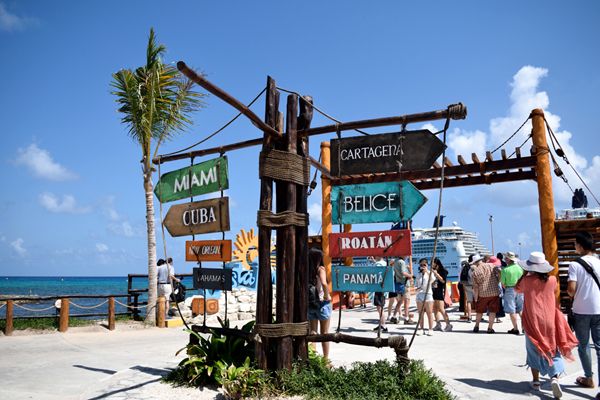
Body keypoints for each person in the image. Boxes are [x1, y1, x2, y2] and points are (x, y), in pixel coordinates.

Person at [516, 252, 578, 398]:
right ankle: (554, 378)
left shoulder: (526, 280)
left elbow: (516, 288)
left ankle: (536, 382)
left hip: (532, 320)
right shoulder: (552, 280)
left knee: (533, 350)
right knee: (552, 348)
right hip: (550, 319)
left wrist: (525, 273)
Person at [567, 231, 600, 394]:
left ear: (580, 245)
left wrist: (571, 292)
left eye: (575, 244)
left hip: (581, 310)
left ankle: (588, 377)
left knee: (584, 345)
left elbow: (571, 290)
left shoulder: (575, 264)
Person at [307, 248, 332, 360]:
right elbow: (324, 283)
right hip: (322, 304)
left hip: (311, 304)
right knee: (325, 333)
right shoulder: (320, 269)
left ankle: (313, 358)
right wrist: (327, 296)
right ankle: (325, 360)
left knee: (313, 332)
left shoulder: (306, 270)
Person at [471, 254, 500, 333]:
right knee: (492, 311)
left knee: (479, 311)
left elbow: (476, 287)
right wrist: (497, 281)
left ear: (475, 263)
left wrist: (476, 298)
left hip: (482, 294)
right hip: (494, 292)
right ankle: (490, 328)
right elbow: (499, 274)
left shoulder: (475, 272)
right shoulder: (492, 266)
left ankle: (476, 326)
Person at [500, 251, 524, 335]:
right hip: (520, 289)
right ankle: (524, 328)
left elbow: (503, 283)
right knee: (521, 309)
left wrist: (507, 288)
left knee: (512, 310)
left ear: (508, 259)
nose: (504, 259)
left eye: (506, 258)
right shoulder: (520, 268)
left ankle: (515, 328)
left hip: (510, 289)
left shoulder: (505, 270)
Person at [388, 256, 414, 324]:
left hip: (399, 284)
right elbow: (403, 272)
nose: (406, 256)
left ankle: (394, 317)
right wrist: (410, 275)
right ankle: (406, 318)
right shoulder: (402, 262)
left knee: (400, 302)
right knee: (407, 302)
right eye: (406, 254)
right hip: (405, 284)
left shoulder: (396, 261)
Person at [431, 258, 452, 332]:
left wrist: (436, 273)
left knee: (441, 308)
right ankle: (438, 324)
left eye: (433, 263)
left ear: (437, 263)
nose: (432, 265)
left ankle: (448, 324)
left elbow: (443, 281)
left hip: (440, 290)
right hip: (433, 291)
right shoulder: (432, 271)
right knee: (435, 308)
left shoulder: (443, 271)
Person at [415, 258, 434, 336]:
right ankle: (421, 328)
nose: (422, 266)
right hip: (420, 295)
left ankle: (430, 329)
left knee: (429, 313)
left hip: (428, 294)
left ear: (427, 265)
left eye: (424, 265)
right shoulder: (418, 274)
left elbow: (432, 280)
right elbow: (417, 285)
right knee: (420, 313)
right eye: (421, 265)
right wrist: (417, 289)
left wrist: (426, 271)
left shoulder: (430, 273)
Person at [370, 256, 388, 332]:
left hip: (378, 287)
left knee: (379, 307)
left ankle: (383, 325)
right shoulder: (384, 263)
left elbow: (375, 274)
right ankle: (382, 324)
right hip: (383, 287)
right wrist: (374, 261)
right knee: (381, 307)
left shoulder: (378, 264)